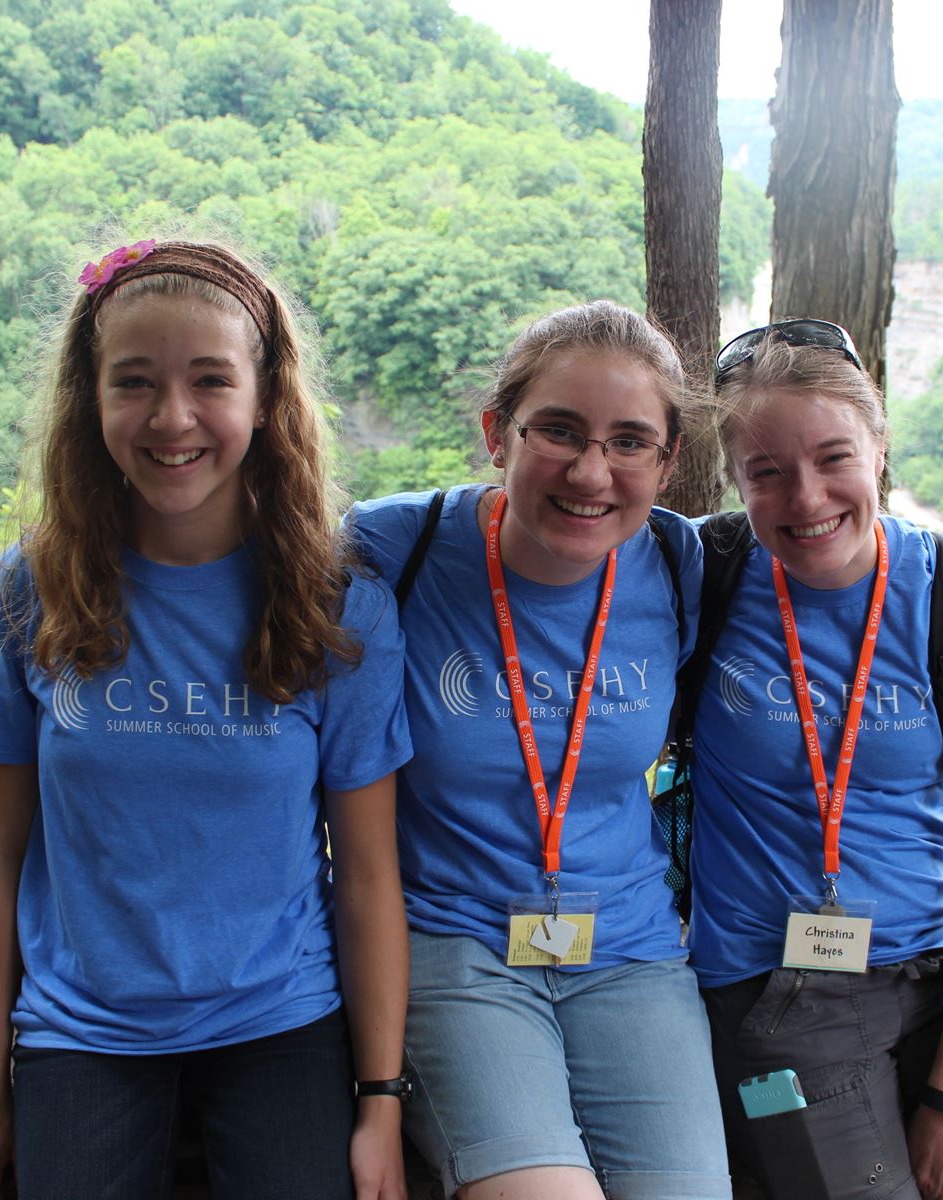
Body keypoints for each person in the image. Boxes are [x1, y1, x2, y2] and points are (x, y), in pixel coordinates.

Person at [0, 238, 413, 1200]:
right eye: (135, 382)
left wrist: (380, 1103)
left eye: (210, 379)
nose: (172, 418)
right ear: (90, 399)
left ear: (264, 395)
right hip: (84, 1022)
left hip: (279, 1014)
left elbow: (368, 873)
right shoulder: (34, 589)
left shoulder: (334, 605)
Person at [347, 300, 732, 1200]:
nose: (591, 471)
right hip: (454, 945)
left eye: (630, 442)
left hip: (630, 949)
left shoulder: (680, 564)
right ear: (497, 434)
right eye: (558, 430)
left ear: (668, 462)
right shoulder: (393, 549)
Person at [687, 320, 943, 1200]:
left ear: (880, 446)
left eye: (834, 458)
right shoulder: (699, 575)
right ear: (734, 478)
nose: (806, 497)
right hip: (773, 989)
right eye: (766, 472)